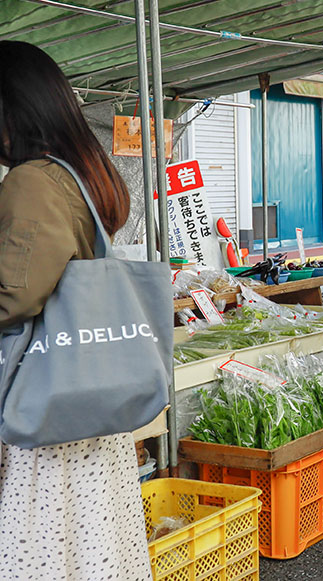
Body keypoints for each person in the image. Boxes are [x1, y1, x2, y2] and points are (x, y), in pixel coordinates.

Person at [0, 41, 152, 578]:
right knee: (93, 553)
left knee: (43, 550)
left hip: (45, 410)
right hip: (90, 405)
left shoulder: (31, 180)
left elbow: (15, 295)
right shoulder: (81, 171)